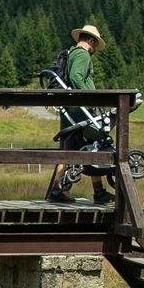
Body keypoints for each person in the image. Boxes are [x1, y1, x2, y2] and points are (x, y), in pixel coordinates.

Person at [45, 23, 113, 207]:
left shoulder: (72, 53)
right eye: (95, 46)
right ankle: (92, 192)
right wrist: (89, 98)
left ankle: (59, 190)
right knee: (94, 145)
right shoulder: (83, 55)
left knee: (76, 148)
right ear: (91, 40)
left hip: (73, 108)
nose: (94, 50)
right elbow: (76, 77)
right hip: (81, 109)